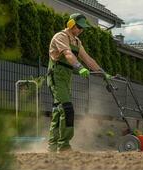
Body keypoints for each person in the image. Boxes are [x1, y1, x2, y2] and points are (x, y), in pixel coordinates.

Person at [47, 13, 110, 152]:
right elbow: (68, 54)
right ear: (71, 24)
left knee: (59, 110)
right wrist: (80, 68)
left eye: (83, 28)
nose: (81, 30)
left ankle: (52, 146)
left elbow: (88, 59)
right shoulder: (61, 37)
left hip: (66, 77)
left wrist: (102, 73)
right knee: (67, 109)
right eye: (79, 27)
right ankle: (64, 146)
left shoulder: (77, 41)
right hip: (56, 76)